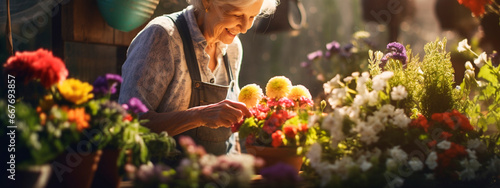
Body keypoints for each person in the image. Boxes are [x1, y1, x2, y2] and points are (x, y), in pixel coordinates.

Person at [118, 0, 278, 155]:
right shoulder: (163, 36)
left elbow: (232, 135)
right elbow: (128, 125)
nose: (244, 28)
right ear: (207, 2)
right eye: (236, 14)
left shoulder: (233, 47)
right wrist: (198, 116)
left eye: (252, 17)